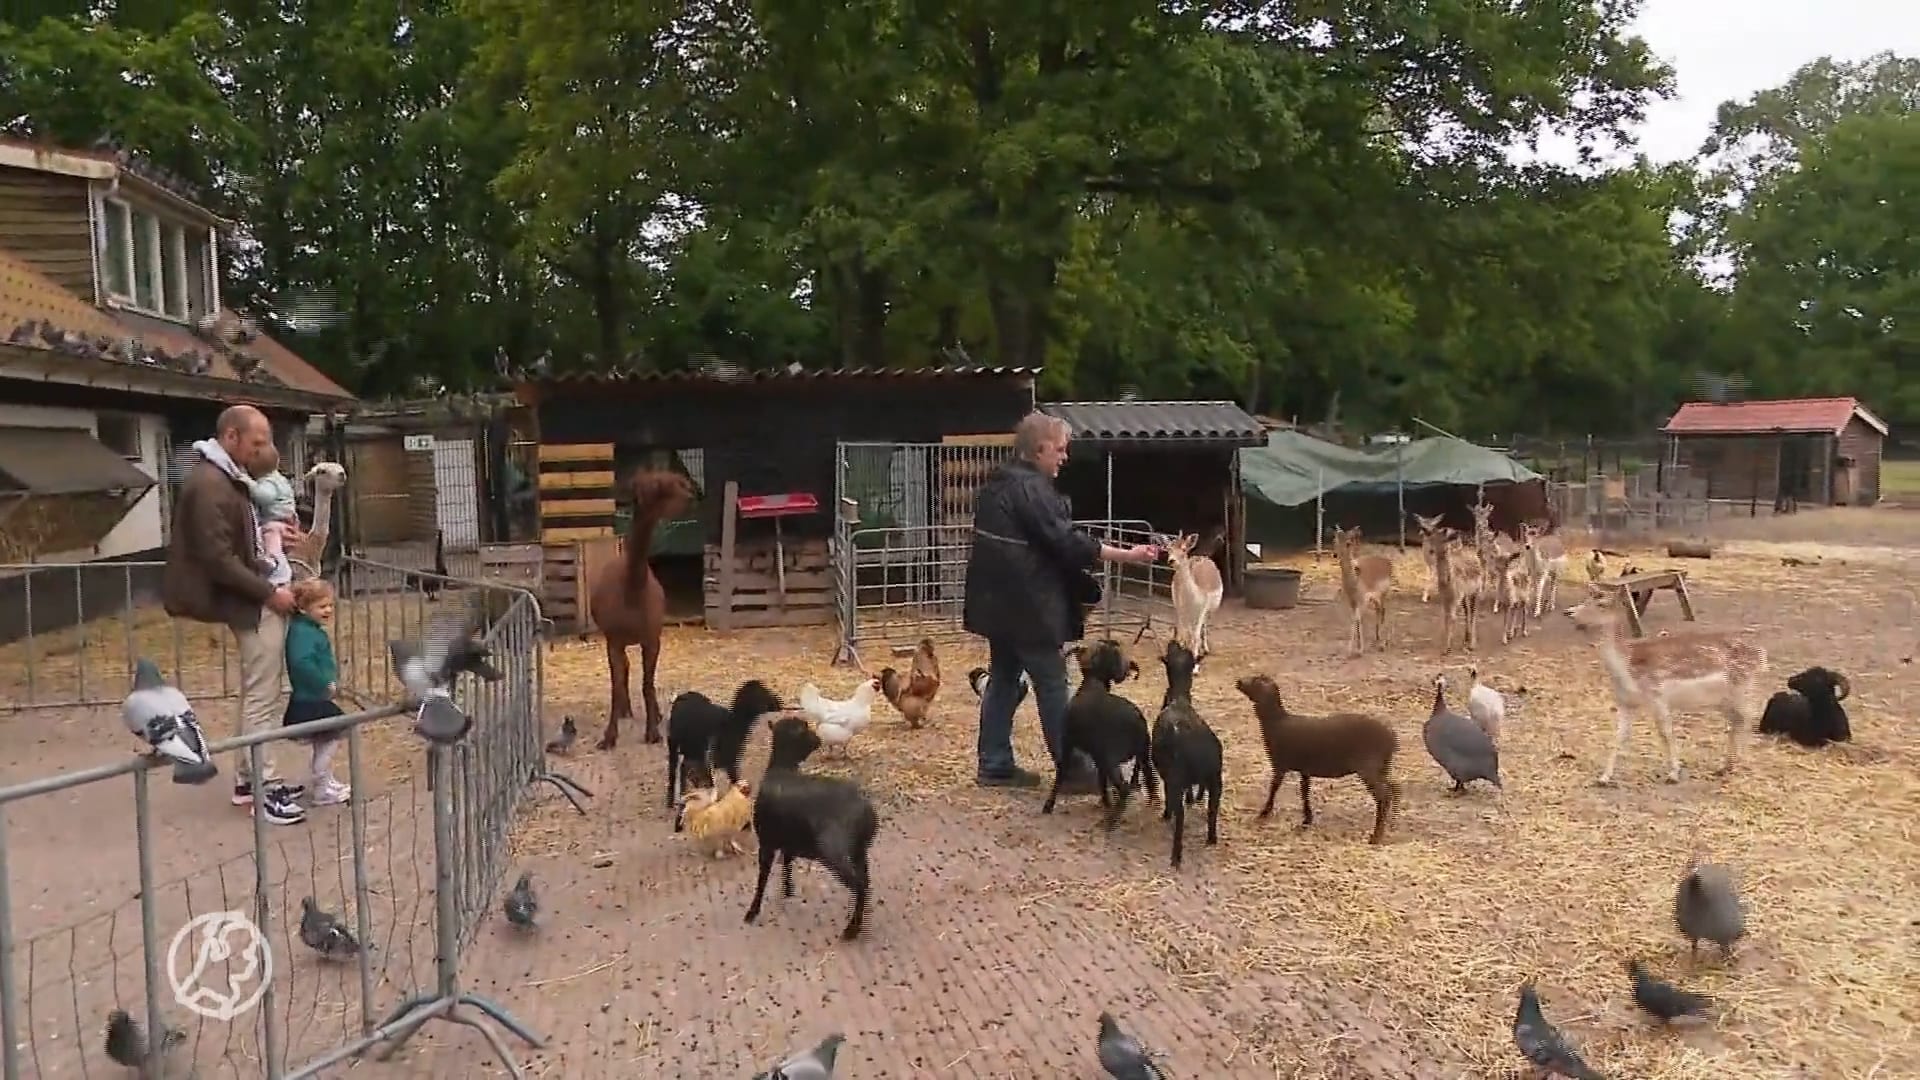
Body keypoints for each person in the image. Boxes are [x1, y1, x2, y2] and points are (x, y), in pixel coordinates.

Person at [963, 412, 1161, 789]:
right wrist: (1129, 555)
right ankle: (1071, 769)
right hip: (1027, 607)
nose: (1064, 457)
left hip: (996, 605)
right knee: (1053, 683)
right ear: (1039, 450)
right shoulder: (1032, 490)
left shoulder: (997, 484)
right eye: (1060, 449)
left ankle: (995, 763)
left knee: (1004, 679)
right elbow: (1066, 541)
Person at [161, 405, 307, 825]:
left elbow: (242, 542)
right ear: (231, 436)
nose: (264, 451)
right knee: (262, 696)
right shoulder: (211, 485)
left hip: (251, 595)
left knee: (258, 690)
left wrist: (278, 540)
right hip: (249, 600)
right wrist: (269, 593)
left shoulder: (231, 478)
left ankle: (248, 780)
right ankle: (265, 787)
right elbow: (217, 558)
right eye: (257, 442)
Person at [284, 579, 352, 806]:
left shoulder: (309, 630)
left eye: (330, 605)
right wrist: (325, 682)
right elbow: (301, 662)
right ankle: (321, 786)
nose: (328, 610)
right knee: (331, 737)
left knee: (324, 740)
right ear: (304, 608)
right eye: (322, 606)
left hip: (314, 696)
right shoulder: (303, 633)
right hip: (310, 698)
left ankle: (326, 780)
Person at [246, 446, 298, 587]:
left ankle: (276, 563)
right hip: (283, 520)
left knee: (271, 539)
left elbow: (265, 497)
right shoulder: (280, 479)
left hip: (275, 521)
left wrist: (248, 483)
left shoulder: (268, 481)